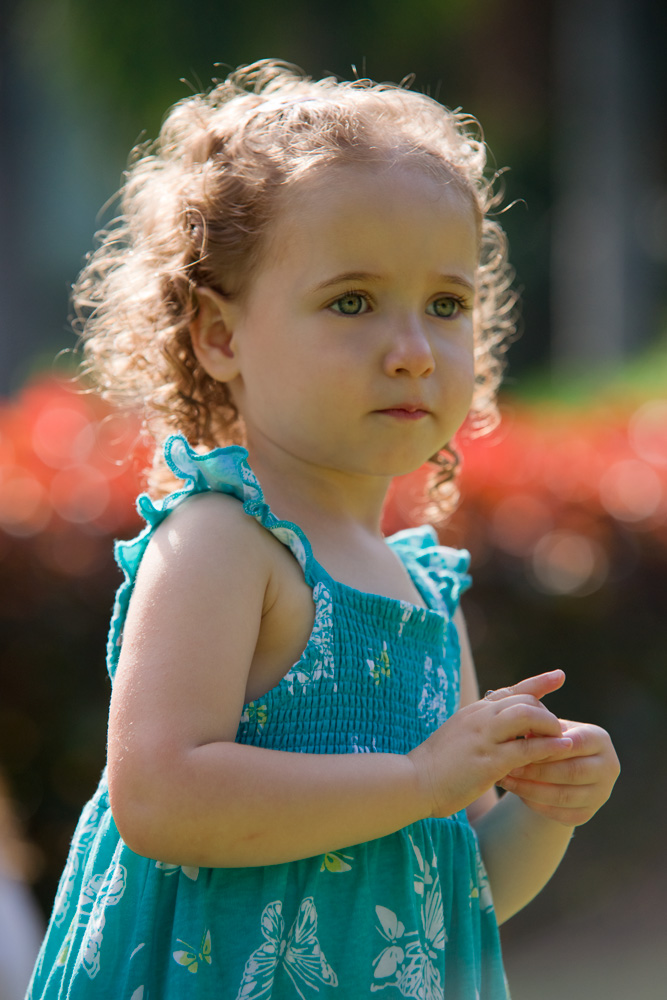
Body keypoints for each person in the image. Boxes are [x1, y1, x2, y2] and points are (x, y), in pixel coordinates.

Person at [28, 60, 619, 999]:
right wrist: (421, 778)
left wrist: (547, 814)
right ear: (221, 337)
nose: (412, 351)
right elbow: (161, 797)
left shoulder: (425, 589)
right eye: (352, 301)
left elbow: (453, 889)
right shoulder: (223, 541)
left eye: (445, 304)